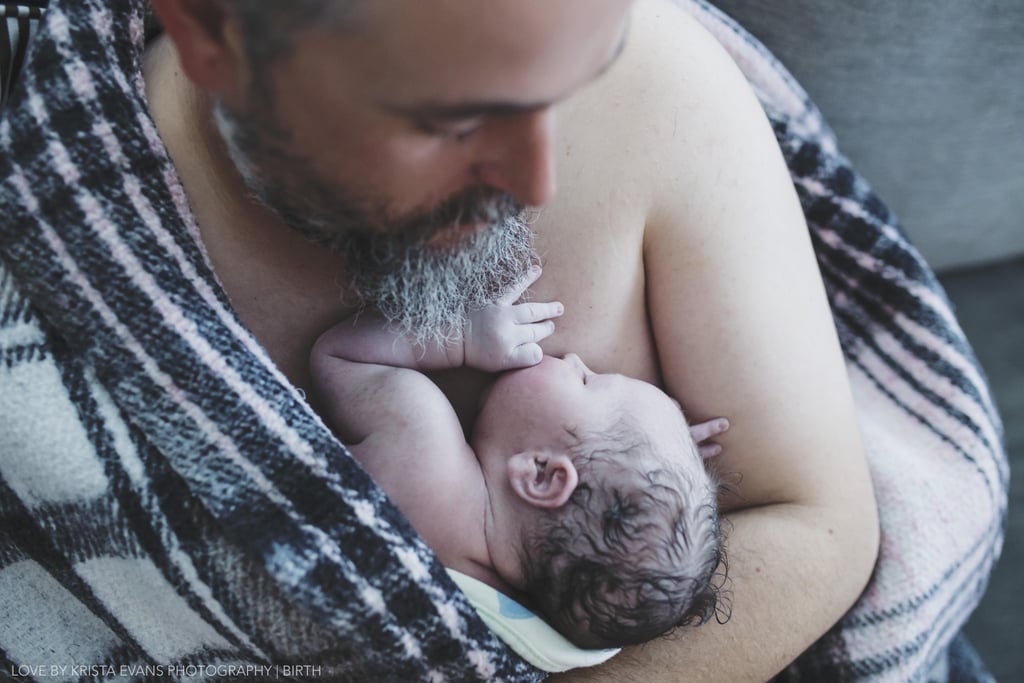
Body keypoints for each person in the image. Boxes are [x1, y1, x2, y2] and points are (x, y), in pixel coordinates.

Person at [1, 0, 904, 680]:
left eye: (574, 81)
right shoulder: (54, 199)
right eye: (454, 120)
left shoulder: (665, 96)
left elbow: (816, 521)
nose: (537, 178)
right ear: (210, 34)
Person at [310, 265, 730, 649]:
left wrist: (459, 337)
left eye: (585, 380)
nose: (575, 361)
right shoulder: (539, 631)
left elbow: (337, 356)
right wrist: (656, 456)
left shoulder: (422, 446)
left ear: (542, 475)